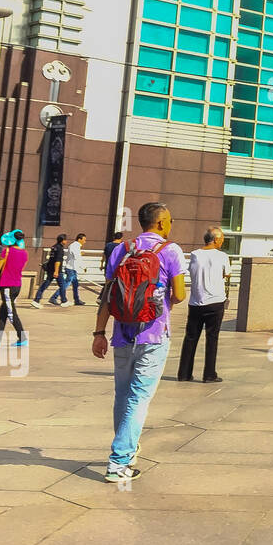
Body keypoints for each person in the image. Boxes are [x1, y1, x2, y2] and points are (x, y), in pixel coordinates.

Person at [93, 201, 186, 483]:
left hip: (122, 333)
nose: (170, 225)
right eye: (169, 220)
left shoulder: (122, 249)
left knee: (123, 395)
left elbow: (108, 295)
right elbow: (180, 294)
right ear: (160, 223)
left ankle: (128, 452)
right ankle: (119, 462)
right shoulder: (170, 250)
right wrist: (162, 301)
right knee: (139, 399)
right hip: (154, 334)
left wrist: (99, 333)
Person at [178, 226, 231, 383]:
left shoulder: (195, 254)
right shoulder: (222, 256)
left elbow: (192, 272)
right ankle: (209, 374)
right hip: (215, 302)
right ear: (215, 240)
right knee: (212, 338)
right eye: (221, 239)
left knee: (190, 338)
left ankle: (184, 373)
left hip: (196, 302)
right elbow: (226, 273)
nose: (222, 242)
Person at [0, 230, 29, 347]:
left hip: (7, 285)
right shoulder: (24, 253)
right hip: (17, 285)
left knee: (11, 313)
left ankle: (22, 338)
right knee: (3, 312)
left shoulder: (6, 251)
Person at [30, 233, 68, 308]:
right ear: (62, 240)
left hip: (50, 269)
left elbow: (52, 259)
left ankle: (36, 300)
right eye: (65, 240)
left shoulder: (54, 247)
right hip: (56, 270)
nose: (66, 241)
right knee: (63, 285)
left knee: (45, 285)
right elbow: (58, 261)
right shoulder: (60, 249)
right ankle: (64, 301)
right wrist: (56, 271)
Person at [62, 232, 87, 306]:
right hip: (71, 268)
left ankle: (77, 300)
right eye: (84, 240)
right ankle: (54, 297)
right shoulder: (75, 246)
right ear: (79, 239)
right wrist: (83, 267)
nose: (84, 242)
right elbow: (77, 257)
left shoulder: (75, 246)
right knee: (66, 284)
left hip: (73, 268)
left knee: (75, 285)